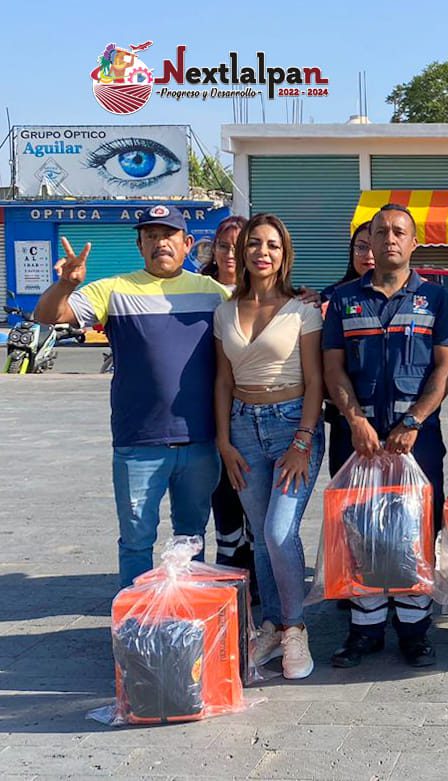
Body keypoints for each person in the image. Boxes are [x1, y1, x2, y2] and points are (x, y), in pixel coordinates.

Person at [35, 206, 229, 587]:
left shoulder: (212, 293)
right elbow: (47, 316)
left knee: (191, 539)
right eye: (151, 236)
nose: (160, 243)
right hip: (138, 442)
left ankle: (186, 622)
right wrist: (66, 285)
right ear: (140, 245)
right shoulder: (114, 290)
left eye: (168, 234)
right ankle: (138, 627)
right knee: (137, 541)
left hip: (201, 441)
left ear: (187, 243)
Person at [322, 204, 448, 669]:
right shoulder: (343, 299)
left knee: (416, 532)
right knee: (361, 532)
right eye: (381, 232)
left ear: (414, 242)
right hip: (356, 439)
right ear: (370, 243)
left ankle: (414, 630)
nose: (390, 240)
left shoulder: (436, 300)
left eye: (400, 232)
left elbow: (445, 369)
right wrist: (355, 419)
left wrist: (415, 421)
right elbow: (332, 368)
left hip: (417, 442)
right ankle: (364, 630)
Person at [213, 213, 324, 679]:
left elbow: (317, 380)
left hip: (290, 426)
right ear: (242, 252)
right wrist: (223, 440)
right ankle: (272, 626)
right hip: (242, 428)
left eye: (273, 245)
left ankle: (295, 628)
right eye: (255, 243)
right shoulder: (224, 310)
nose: (263, 251)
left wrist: (302, 440)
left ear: (284, 254)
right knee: (261, 537)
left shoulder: (304, 310)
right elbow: (222, 380)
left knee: (281, 531)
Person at [200, 216, 257, 592]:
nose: (231, 254)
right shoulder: (198, 293)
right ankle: (227, 582)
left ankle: (257, 581)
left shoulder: (271, 296)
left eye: (241, 246)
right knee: (223, 500)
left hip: (257, 416)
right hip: (208, 414)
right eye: (224, 245)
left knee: (255, 504)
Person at [321, 225, 376, 477]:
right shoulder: (333, 296)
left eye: (373, 246)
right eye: (361, 247)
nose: (368, 254)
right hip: (345, 413)